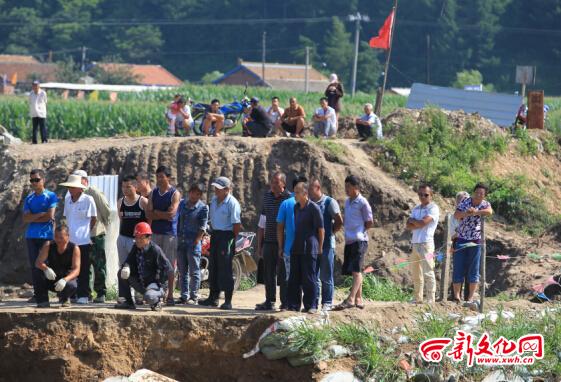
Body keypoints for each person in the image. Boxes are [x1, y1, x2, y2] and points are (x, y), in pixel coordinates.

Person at [199, 177, 241, 310]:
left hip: (227, 236)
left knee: (225, 269)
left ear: (227, 190)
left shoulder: (232, 203)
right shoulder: (214, 200)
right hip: (215, 235)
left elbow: (236, 225)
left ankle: (228, 300)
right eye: (215, 187)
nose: (216, 190)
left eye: (219, 188)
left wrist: (230, 239)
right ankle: (213, 298)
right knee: (214, 267)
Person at [334, 175, 373, 310]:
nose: (346, 189)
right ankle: (358, 298)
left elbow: (369, 222)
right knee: (355, 271)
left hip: (359, 241)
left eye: (349, 187)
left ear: (356, 188)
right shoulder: (347, 202)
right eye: (345, 187)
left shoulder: (363, 202)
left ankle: (350, 299)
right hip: (349, 240)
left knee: (356, 271)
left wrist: (360, 232)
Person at [72, 170, 111, 303]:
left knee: (99, 264)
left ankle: (101, 293)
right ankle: (85, 293)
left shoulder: (92, 191)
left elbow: (105, 208)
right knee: (84, 266)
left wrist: (105, 225)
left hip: (96, 233)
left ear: (85, 180)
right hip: (81, 236)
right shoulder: (73, 195)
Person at [114, 222, 173, 311]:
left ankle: (156, 302)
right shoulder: (136, 247)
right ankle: (128, 302)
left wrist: (170, 295)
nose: (138, 240)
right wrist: (126, 267)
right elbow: (128, 261)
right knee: (121, 272)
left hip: (155, 285)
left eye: (141, 237)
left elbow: (170, 270)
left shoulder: (155, 250)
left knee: (149, 296)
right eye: (136, 237)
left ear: (148, 237)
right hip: (142, 282)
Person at [452, 183, 493, 307]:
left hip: (475, 240)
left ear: (484, 195)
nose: (479, 195)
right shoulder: (465, 201)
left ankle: (469, 298)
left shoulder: (485, 204)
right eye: (477, 192)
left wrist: (476, 212)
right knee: (458, 267)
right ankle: (457, 297)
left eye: (482, 193)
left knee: (473, 269)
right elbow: (456, 215)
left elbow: (489, 212)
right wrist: (468, 213)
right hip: (462, 238)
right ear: (474, 192)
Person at [255, 172, 291, 311]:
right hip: (269, 241)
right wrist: (260, 245)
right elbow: (262, 223)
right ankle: (269, 301)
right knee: (268, 273)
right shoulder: (267, 197)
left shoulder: (289, 199)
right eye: (272, 182)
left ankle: (285, 302)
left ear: (283, 184)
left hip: (284, 242)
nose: (273, 185)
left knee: (283, 273)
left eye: (276, 182)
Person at [60, 174, 97, 305]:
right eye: (69, 186)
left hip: (83, 241)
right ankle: (72, 295)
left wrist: (85, 232)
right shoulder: (68, 200)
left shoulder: (89, 199)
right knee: (70, 269)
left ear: (80, 188)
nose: (70, 188)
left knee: (84, 270)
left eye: (73, 186)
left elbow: (93, 219)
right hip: (70, 242)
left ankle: (84, 295)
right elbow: (67, 218)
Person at [287, 182, 324, 314]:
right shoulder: (296, 207)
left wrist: (320, 247)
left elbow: (321, 229)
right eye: (294, 191)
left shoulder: (314, 208)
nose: (294, 194)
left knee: (309, 278)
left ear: (305, 193)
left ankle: (311, 305)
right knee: (294, 277)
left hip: (310, 247)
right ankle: (294, 305)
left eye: (297, 192)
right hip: (297, 246)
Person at [146, 165, 181, 306]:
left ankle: (170, 296)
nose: (159, 179)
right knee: (154, 265)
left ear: (168, 178)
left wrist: (156, 213)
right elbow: (148, 213)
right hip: (155, 233)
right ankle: (156, 294)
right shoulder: (153, 193)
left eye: (162, 176)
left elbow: (172, 215)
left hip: (169, 235)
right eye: (158, 176)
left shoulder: (174, 193)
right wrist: (162, 213)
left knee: (169, 265)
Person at [23, 169, 58, 303]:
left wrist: (33, 217)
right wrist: (39, 215)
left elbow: (50, 216)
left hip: (46, 236)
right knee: (34, 266)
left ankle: (48, 295)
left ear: (43, 180)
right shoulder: (29, 198)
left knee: (45, 265)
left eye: (36, 180)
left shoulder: (51, 196)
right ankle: (38, 294)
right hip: (31, 236)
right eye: (32, 180)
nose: (34, 183)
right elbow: (25, 219)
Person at [308, 178, 343, 311]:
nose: (309, 192)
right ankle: (314, 303)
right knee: (314, 275)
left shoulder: (329, 202)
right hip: (313, 245)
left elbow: (339, 220)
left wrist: (332, 232)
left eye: (311, 189)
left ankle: (327, 302)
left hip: (327, 244)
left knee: (326, 275)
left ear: (317, 188)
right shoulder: (310, 204)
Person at [405, 184, 440, 304]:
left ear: (431, 195)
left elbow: (421, 223)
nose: (422, 197)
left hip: (426, 244)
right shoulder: (416, 208)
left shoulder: (433, 208)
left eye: (425, 194)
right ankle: (417, 297)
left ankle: (431, 299)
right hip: (415, 243)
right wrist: (416, 222)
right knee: (416, 273)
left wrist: (414, 222)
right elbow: (408, 225)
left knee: (428, 271)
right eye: (420, 194)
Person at [176, 183, 209, 304]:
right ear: (189, 192)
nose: (194, 195)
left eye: (198, 193)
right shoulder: (182, 204)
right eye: (193, 192)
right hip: (181, 241)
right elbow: (178, 220)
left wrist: (197, 240)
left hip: (193, 242)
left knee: (194, 271)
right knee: (182, 270)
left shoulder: (203, 208)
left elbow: (202, 226)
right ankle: (184, 296)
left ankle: (193, 296)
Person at [34, 225, 80, 308]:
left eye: (61, 237)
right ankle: (43, 301)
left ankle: (65, 298)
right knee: (38, 272)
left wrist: (65, 280)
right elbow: (38, 262)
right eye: (56, 237)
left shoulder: (74, 248)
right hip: (51, 277)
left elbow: (76, 270)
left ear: (68, 237)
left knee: (72, 284)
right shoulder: (48, 245)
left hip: (65, 280)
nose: (58, 240)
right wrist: (46, 268)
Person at [277, 175, 308, 294]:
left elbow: (279, 227)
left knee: (291, 279)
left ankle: (292, 304)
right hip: (305, 249)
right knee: (306, 278)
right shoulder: (311, 204)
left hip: (290, 249)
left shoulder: (286, 203)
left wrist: (281, 247)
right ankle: (309, 305)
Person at [117, 175, 149, 264]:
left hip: (137, 240)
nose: (124, 189)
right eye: (123, 187)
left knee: (138, 265)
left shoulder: (143, 202)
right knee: (124, 267)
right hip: (123, 238)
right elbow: (121, 220)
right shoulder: (120, 202)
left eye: (128, 187)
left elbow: (149, 221)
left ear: (135, 187)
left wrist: (145, 239)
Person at [29, 80, 48, 144]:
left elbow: (45, 102)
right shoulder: (31, 93)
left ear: (39, 85)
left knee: (42, 127)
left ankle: (44, 140)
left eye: (36, 85)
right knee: (34, 128)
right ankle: (34, 141)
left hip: (41, 112)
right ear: (32, 86)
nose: (35, 86)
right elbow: (30, 102)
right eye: (34, 85)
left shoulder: (43, 93)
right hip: (34, 112)